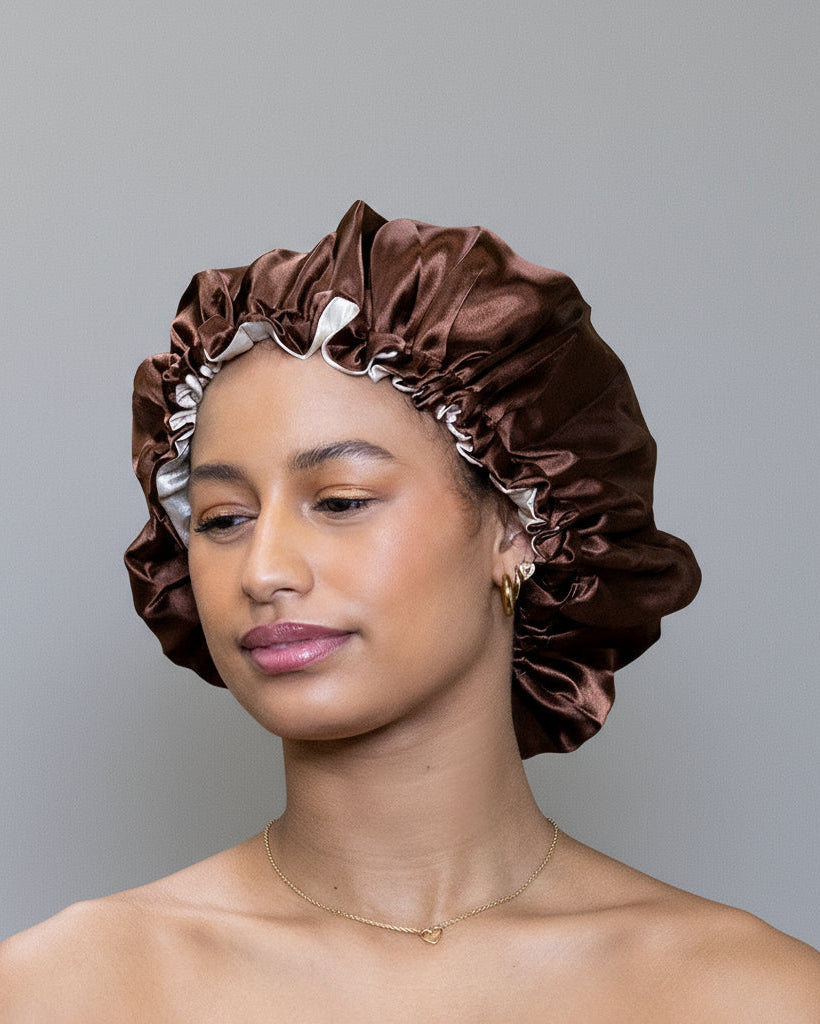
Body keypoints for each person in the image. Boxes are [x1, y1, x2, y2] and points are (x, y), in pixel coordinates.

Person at [1, 201, 817, 1021]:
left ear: (517, 523)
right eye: (221, 519)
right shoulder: (61, 991)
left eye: (343, 501)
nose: (265, 570)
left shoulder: (754, 995)